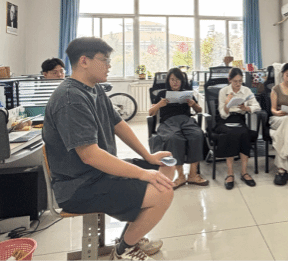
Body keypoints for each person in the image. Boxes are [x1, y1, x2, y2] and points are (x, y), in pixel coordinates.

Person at [43, 37, 175, 261]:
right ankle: (124, 251)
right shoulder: (70, 98)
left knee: (166, 164)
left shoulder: (94, 89)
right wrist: (142, 173)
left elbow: (118, 124)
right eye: (104, 60)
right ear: (84, 61)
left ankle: (130, 237)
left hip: (99, 175)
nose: (109, 65)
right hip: (79, 185)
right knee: (164, 193)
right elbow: (90, 156)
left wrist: (148, 157)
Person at [148, 68, 208, 189]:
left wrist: (193, 104)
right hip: (168, 122)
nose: (175, 82)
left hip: (186, 120)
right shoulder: (162, 94)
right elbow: (151, 112)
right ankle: (180, 176)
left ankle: (193, 174)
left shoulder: (187, 93)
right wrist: (159, 104)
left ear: (182, 81)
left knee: (197, 134)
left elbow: (199, 110)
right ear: (168, 81)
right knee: (173, 138)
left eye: (178, 80)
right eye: (172, 79)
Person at [216, 68, 261, 190]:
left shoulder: (246, 90)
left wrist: (246, 108)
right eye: (235, 81)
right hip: (225, 120)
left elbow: (257, 106)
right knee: (230, 133)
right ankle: (230, 173)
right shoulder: (223, 91)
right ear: (229, 80)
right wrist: (227, 104)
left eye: (240, 81)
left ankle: (244, 172)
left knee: (245, 133)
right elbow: (222, 114)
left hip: (239, 119)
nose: (238, 84)